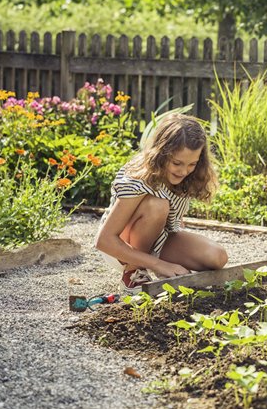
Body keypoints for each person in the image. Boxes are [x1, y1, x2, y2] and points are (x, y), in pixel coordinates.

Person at [95, 113, 228, 292]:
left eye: (192, 164)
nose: (184, 171)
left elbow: (173, 215)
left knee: (217, 257)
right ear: (161, 153)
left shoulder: (187, 177)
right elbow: (103, 241)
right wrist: (159, 265)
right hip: (120, 248)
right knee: (157, 206)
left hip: (158, 239)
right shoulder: (138, 178)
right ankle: (133, 273)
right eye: (177, 163)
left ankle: (157, 267)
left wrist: (169, 257)